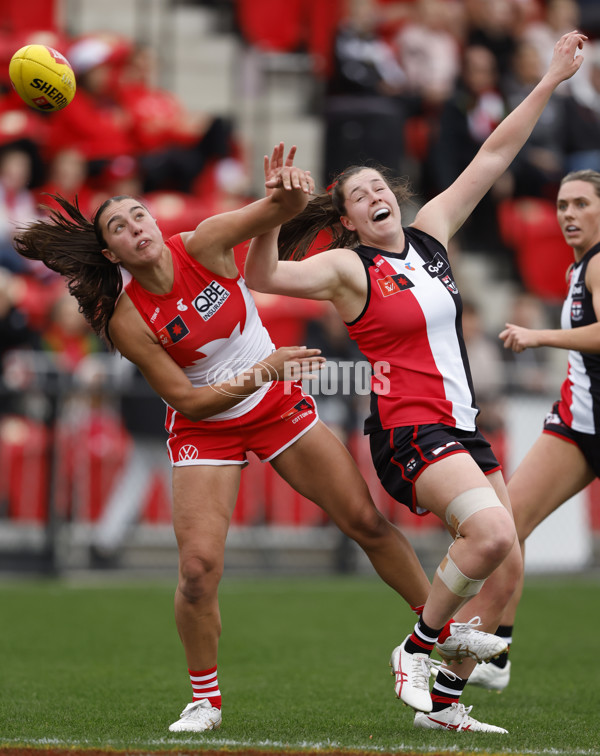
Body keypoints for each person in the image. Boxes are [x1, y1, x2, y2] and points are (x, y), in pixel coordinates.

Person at [12, 145, 495, 734]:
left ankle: (435, 635)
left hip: (276, 407)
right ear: (111, 252)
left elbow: (273, 213)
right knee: (196, 570)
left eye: (139, 215)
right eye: (119, 227)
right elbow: (187, 401)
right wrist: (263, 370)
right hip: (206, 423)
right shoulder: (127, 317)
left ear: (155, 223)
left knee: (365, 523)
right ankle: (204, 700)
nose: (136, 227)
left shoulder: (205, 242)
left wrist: (285, 192)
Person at [244, 32, 587, 733]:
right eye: (357, 195)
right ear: (346, 221)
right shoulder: (350, 270)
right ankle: (416, 650)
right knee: (491, 535)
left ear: (394, 198)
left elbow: (493, 154)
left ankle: (442, 700)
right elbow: (263, 277)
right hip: (409, 427)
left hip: (458, 425)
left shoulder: (430, 235)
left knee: (508, 563)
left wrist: (550, 80)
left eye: (377, 186)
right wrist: (272, 215)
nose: (372, 194)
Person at [469, 167, 600, 692]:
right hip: (577, 422)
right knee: (503, 528)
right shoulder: (577, 268)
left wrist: (538, 336)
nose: (568, 214)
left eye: (581, 204)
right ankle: (495, 655)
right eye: (563, 205)